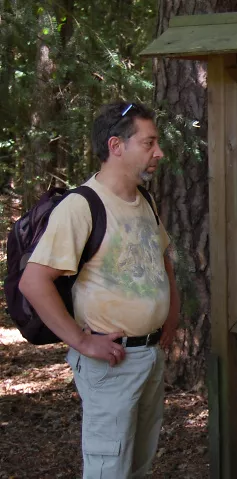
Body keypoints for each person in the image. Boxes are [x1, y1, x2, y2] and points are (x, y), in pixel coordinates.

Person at [19, 102, 180, 478]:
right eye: (149, 142)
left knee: (138, 465)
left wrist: (170, 313)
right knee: (109, 469)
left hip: (149, 355)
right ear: (116, 146)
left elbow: (163, 258)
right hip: (111, 361)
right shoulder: (82, 206)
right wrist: (82, 341)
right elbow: (34, 280)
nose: (159, 152)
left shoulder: (145, 201)